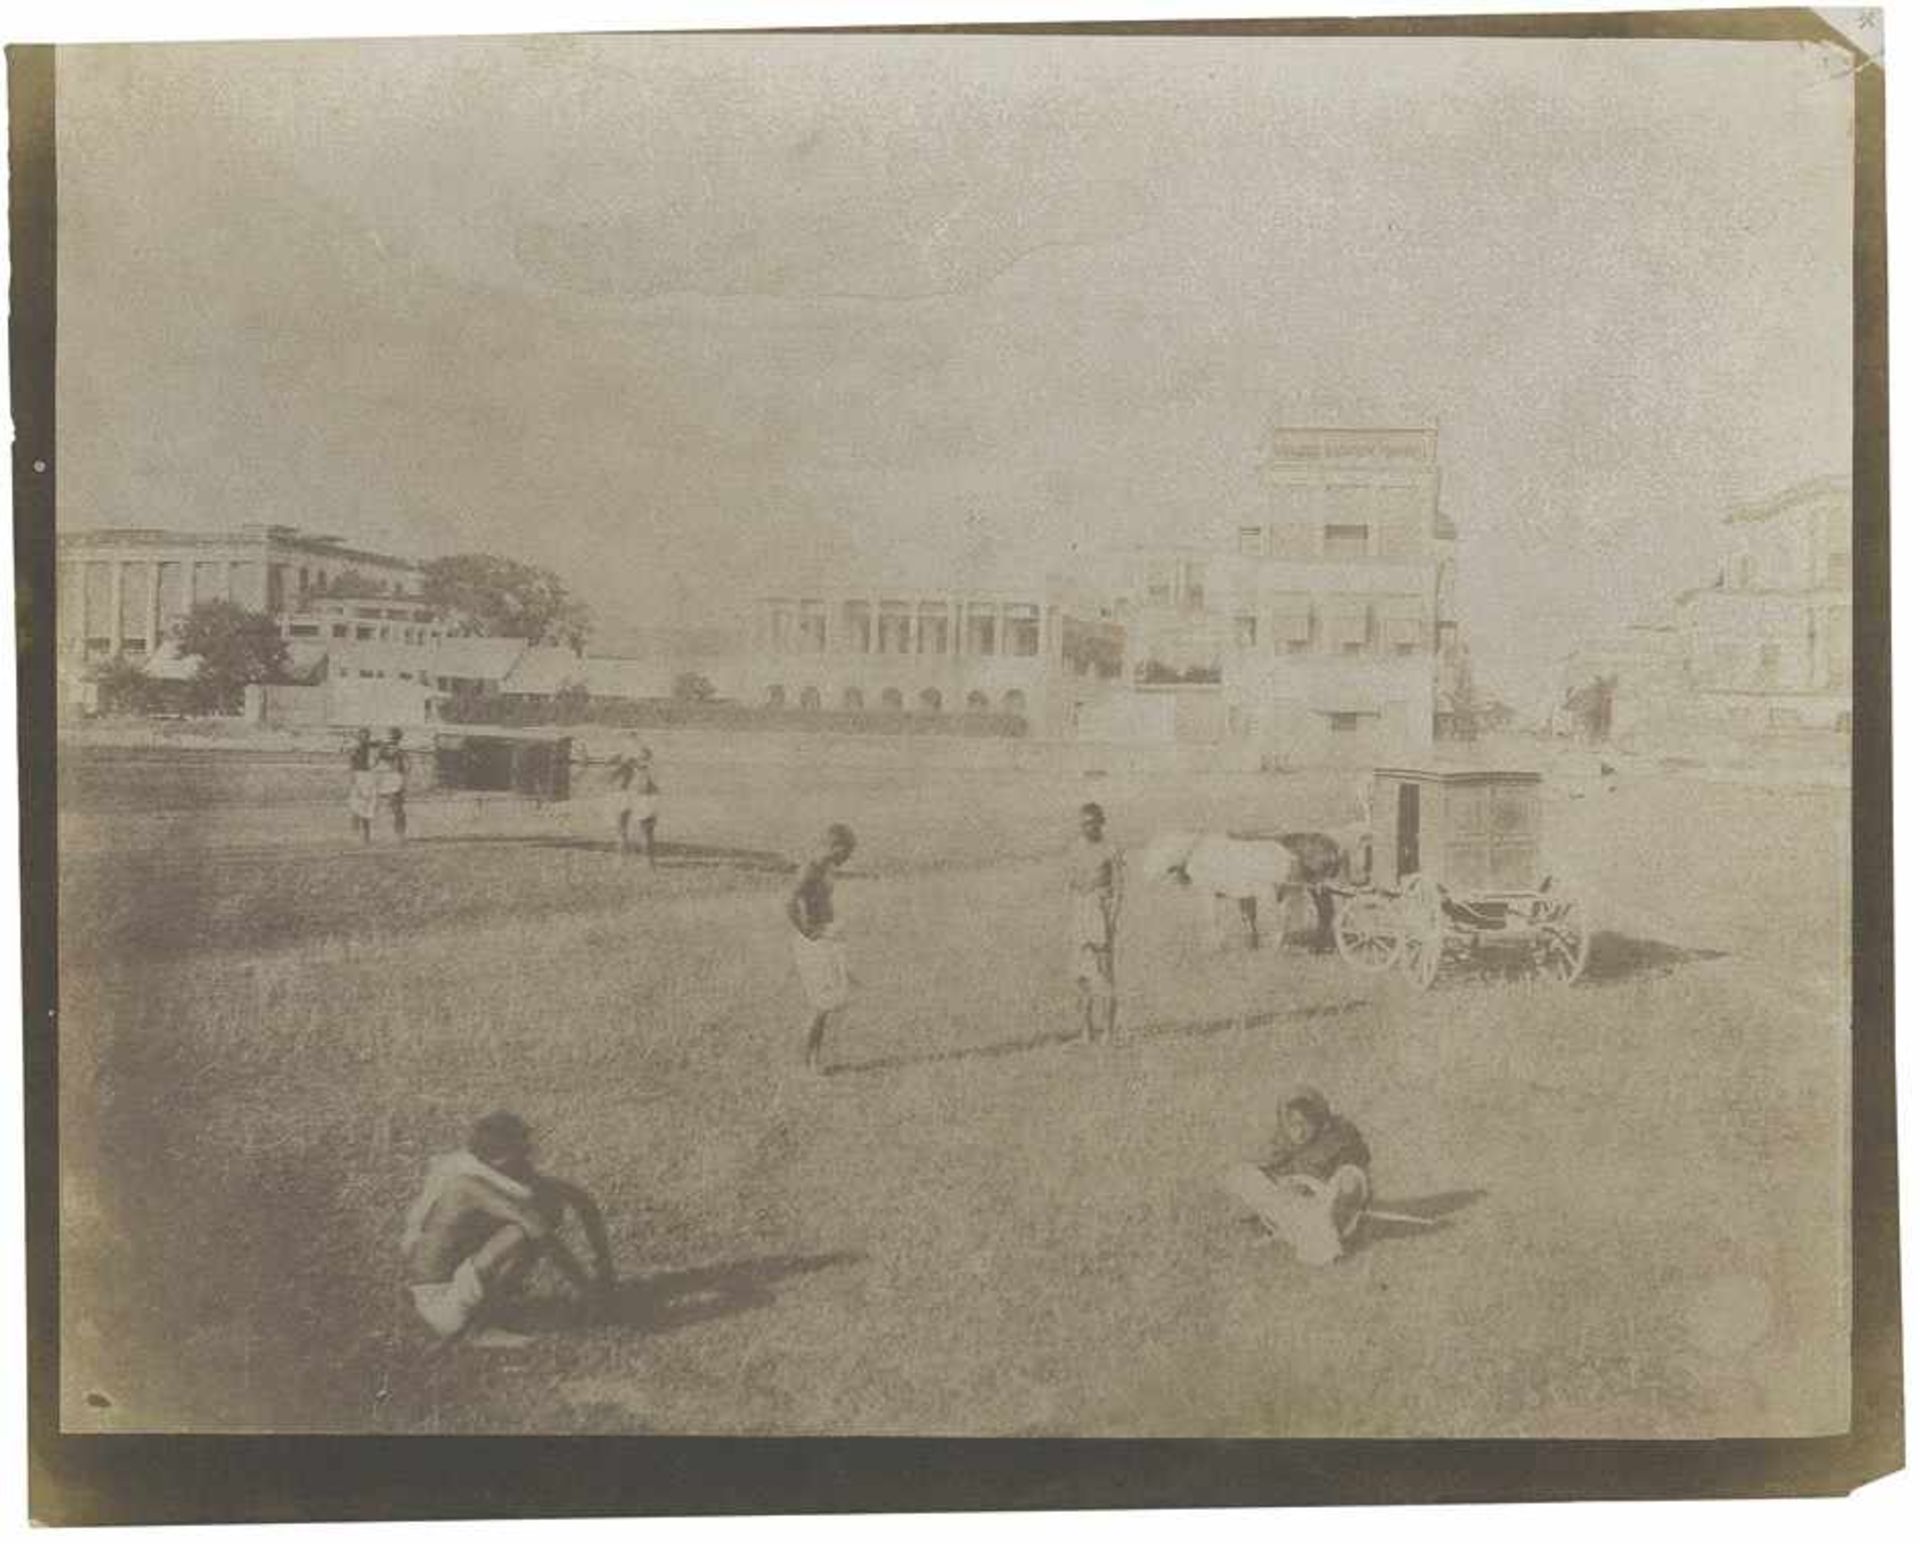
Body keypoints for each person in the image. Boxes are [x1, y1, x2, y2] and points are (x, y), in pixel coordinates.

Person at [401, 1111, 613, 1347]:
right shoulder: (467, 1183)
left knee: (542, 1211)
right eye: (521, 1153)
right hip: (440, 1304)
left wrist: (604, 1264)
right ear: (500, 1160)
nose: (528, 1159)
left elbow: (581, 1200)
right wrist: (585, 1288)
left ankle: (490, 1309)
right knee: (523, 1231)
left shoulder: (493, 1168)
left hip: (447, 1285)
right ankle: (477, 1329)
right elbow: (538, 1229)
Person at [1221, 1085, 1373, 1265]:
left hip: (1329, 1206)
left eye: (1305, 1124)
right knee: (1241, 1175)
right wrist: (1287, 1186)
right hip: (1293, 1206)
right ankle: (1289, 1230)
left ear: (1319, 1120)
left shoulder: (1340, 1136)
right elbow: (1271, 1170)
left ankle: (1318, 1236)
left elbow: (1353, 1173)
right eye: (1293, 1125)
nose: (1299, 1132)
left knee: (1350, 1179)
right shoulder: (1283, 1141)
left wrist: (1317, 1188)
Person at [788, 823, 857, 1074]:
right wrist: (808, 932)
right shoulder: (808, 869)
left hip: (826, 937)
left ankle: (813, 1061)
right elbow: (788, 903)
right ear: (835, 847)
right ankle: (807, 1064)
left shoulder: (826, 866)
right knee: (820, 1005)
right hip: (814, 942)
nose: (848, 858)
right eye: (846, 852)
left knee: (826, 1004)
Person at [1068, 802, 1124, 1043]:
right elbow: (1072, 882)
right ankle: (1086, 1031)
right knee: (1081, 976)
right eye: (1083, 823)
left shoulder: (1111, 849)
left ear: (1101, 822)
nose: (1087, 827)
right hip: (1079, 911)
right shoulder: (1075, 848)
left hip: (1100, 912)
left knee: (1104, 974)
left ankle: (1109, 1032)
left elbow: (1120, 889)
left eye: (1091, 822)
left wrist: (1111, 920)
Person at [607, 740, 660, 866]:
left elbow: (611, 778)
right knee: (639, 831)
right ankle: (644, 861)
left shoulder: (641, 767)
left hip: (637, 795)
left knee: (626, 829)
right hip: (638, 795)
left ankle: (625, 859)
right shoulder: (646, 766)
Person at [374, 727, 410, 841]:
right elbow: (377, 759)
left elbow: (407, 766)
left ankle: (400, 834)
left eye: (394, 737)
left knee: (396, 807)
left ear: (398, 738)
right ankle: (369, 834)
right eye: (390, 736)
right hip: (385, 779)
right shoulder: (384, 748)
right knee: (382, 806)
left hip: (395, 780)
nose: (391, 739)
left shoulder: (399, 750)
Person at [345, 728, 378, 844]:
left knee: (367, 807)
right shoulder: (356, 748)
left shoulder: (370, 747)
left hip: (368, 777)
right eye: (362, 736)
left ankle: (365, 835)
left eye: (366, 736)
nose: (364, 738)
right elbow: (352, 764)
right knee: (356, 807)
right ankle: (356, 834)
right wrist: (353, 778)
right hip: (360, 776)